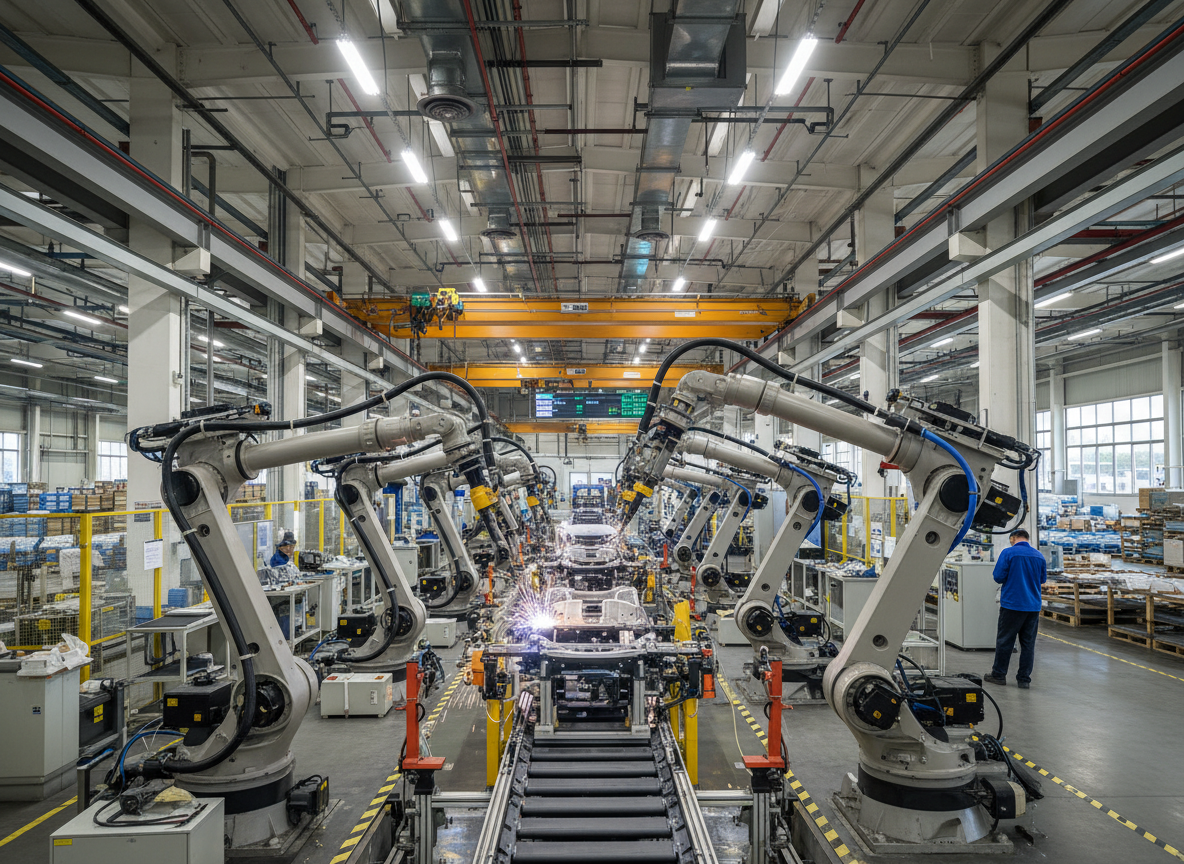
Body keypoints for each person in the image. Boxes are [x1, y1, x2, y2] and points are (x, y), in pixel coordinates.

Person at [984, 528, 1047, 689]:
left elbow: (998, 577)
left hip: (1012, 605)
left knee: (1005, 641)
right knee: (1028, 644)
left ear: (1013, 538)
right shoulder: (1039, 556)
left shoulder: (1008, 553)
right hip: (1032, 606)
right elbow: (1042, 579)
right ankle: (1024, 679)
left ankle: (999, 675)